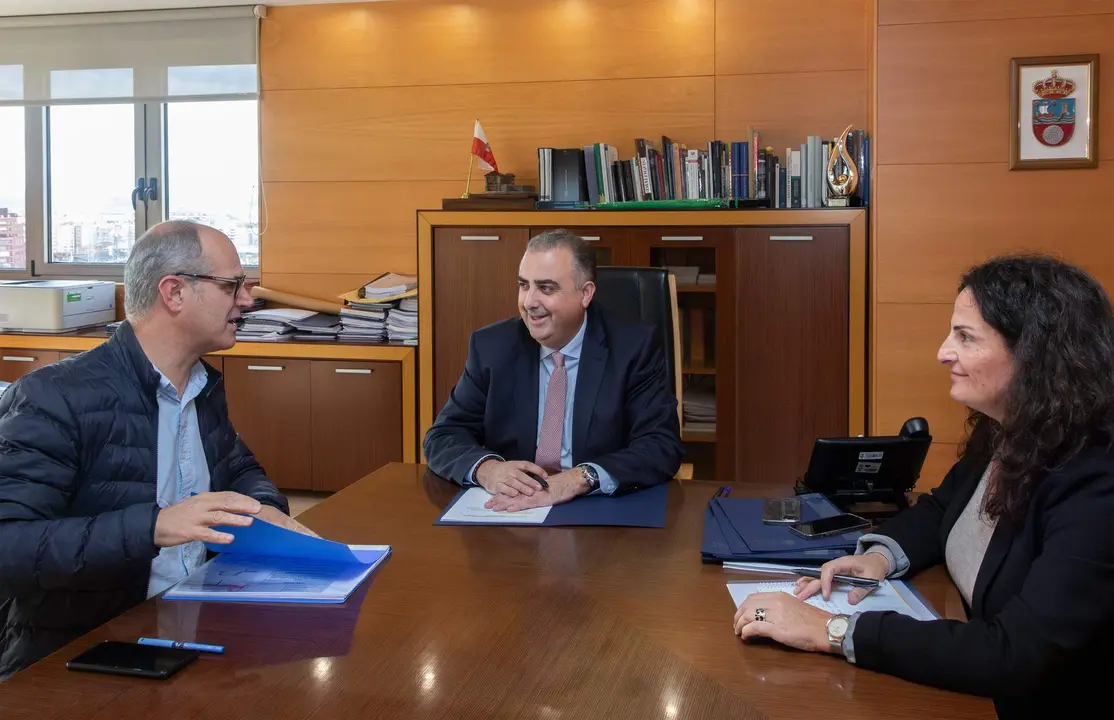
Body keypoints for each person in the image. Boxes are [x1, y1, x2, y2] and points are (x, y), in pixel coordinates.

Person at [732, 255, 1114, 718]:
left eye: (965, 337)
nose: (943, 351)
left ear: (1034, 355)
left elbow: (1014, 654)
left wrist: (832, 630)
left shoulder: (1096, 483)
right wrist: (880, 556)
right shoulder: (1010, 428)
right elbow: (941, 508)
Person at [0, 221, 314, 681]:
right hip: (83, 656)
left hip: (189, 632)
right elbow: (10, 546)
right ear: (174, 293)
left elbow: (240, 469)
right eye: (232, 286)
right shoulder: (53, 398)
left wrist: (262, 508)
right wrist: (154, 526)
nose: (247, 300)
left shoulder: (202, 386)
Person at [423, 229, 683, 511]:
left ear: (586, 294)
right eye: (524, 285)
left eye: (546, 288)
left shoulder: (633, 348)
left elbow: (660, 445)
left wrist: (577, 479)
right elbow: (443, 436)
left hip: (596, 509)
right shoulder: (491, 347)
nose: (529, 302)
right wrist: (489, 470)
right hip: (513, 514)